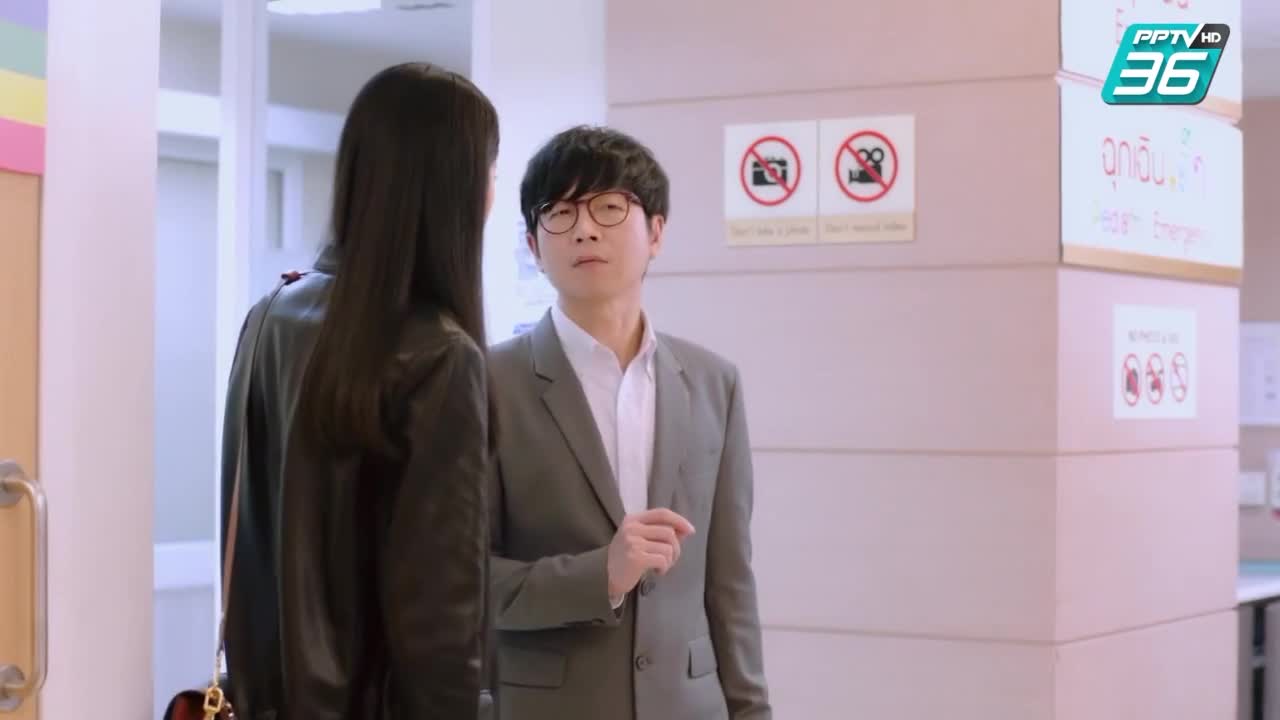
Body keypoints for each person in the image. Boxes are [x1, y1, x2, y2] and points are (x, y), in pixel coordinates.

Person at [219, 63, 499, 720]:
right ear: (453, 187)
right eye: (487, 169)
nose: (492, 190)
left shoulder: (271, 316)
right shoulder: (438, 354)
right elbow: (438, 625)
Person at [487, 126, 772, 720]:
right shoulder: (488, 383)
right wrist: (601, 576)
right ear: (534, 246)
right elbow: (460, 583)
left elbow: (730, 583)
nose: (585, 229)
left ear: (656, 232)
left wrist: (751, 710)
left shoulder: (714, 383)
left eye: (609, 207)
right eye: (560, 213)